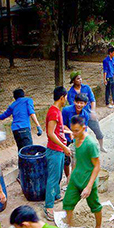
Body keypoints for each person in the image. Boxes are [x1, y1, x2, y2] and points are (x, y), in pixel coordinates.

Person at [62, 115, 102, 228]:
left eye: (76, 131)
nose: (73, 134)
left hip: (88, 179)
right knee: (68, 202)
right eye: (72, 130)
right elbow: (77, 159)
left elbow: (97, 166)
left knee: (94, 205)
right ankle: (69, 227)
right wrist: (72, 175)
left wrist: (89, 186)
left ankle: (98, 227)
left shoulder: (91, 144)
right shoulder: (76, 138)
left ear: (84, 128)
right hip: (76, 177)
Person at [44, 87, 70, 221]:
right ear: (62, 97)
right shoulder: (54, 112)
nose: (66, 100)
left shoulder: (57, 111)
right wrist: (64, 146)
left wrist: (69, 132)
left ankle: (56, 195)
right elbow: (50, 133)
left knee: (58, 175)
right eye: (65, 97)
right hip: (54, 150)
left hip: (58, 150)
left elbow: (58, 130)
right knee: (53, 178)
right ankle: (48, 206)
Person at [67, 72, 106, 153]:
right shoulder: (70, 93)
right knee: (79, 134)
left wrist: (93, 111)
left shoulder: (86, 88)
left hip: (89, 114)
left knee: (98, 131)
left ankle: (101, 146)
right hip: (78, 117)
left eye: (80, 78)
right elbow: (73, 106)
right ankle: (80, 150)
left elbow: (92, 100)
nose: (80, 80)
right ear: (73, 81)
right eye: (78, 78)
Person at [62, 93, 90, 179]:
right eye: (77, 102)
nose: (79, 105)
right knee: (66, 161)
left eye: (81, 103)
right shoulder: (66, 110)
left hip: (77, 141)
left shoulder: (85, 115)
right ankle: (68, 177)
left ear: (85, 104)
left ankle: (72, 179)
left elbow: (84, 130)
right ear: (74, 102)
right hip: (66, 139)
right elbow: (62, 125)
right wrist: (71, 132)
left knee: (76, 161)